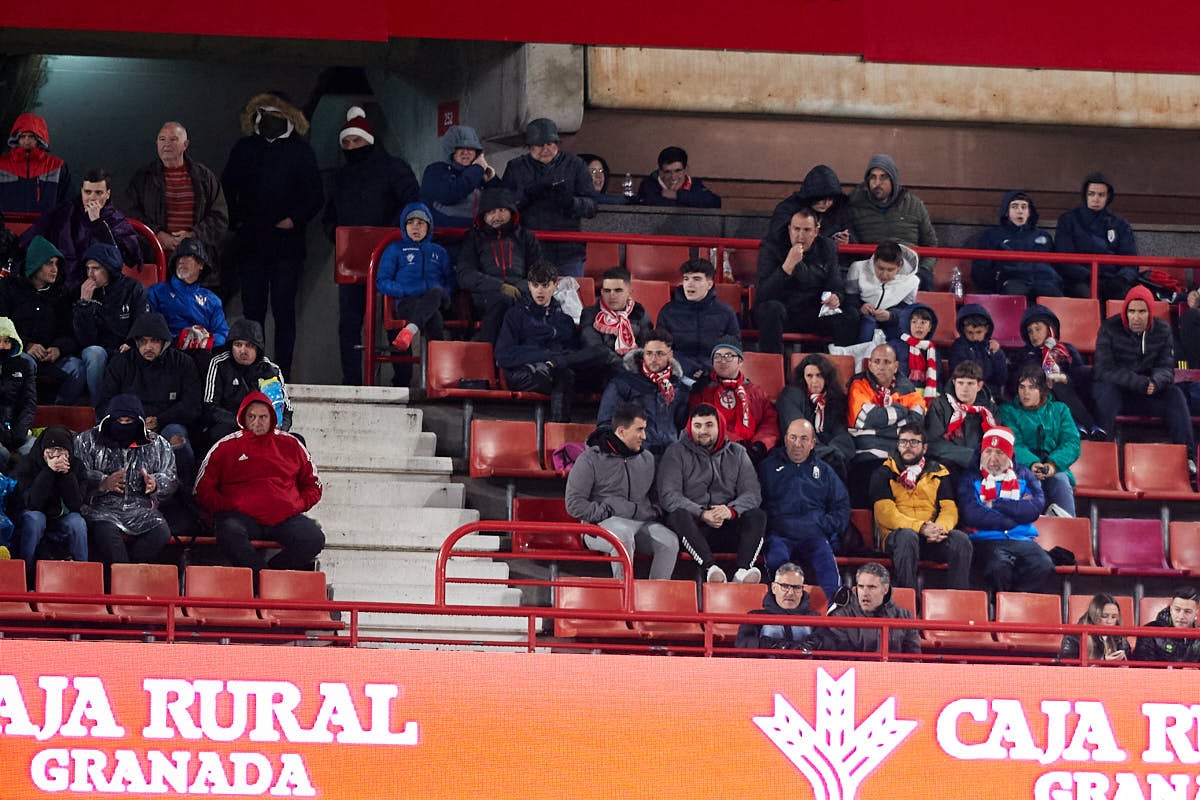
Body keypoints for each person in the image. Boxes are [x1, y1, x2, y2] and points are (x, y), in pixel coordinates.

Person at [221, 92, 323, 379]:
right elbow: (226, 190)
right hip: (251, 244)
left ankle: (282, 374)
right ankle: (253, 371)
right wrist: (238, 221)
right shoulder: (244, 148)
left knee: (283, 311)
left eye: (275, 115)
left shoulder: (301, 151)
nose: (269, 120)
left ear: (287, 117)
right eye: (263, 114)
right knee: (252, 312)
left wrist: (295, 219)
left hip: (286, 248)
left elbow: (315, 195)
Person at [323, 106, 419, 386]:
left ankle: (401, 378)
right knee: (350, 323)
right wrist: (336, 234)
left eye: (357, 141)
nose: (352, 147)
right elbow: (329, 215)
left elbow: (411, 202)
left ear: (370, 140)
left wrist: (391, 235)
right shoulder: (340, 177)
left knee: (394, 319)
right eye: (347, 143)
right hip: (351, 260)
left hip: (392, 256)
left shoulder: (394, 168)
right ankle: (352, 379)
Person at [194, 391, 324, 574]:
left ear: (272, 417)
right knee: (228, 531)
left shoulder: (292, 445)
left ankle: (269, 574)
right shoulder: (225, 447)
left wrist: (297, 504)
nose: (257, 422)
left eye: (263, 417)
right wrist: (229, 506)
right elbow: (203, 490)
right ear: (243, 418)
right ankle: (260, 577)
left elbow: (314, 485)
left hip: (284, 518)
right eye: (252, 417)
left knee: (313, 538)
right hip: (241, 518)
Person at [564, 403, 679, 580]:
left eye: (644, 429)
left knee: (669, 542)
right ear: (622, 431)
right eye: (639, 430)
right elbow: (574, 504)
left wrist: (653, 510)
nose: (644, 436)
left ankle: (654, 597)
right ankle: (624, 596)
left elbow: (656, 494)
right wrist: (607, 510)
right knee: (622, 537)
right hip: (599, 526)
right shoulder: (590, 459)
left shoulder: (647, 458)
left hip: (640, 522)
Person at [657, 403, 766, 583]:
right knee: (677, 515)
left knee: (757, 515)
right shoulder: (675, 452)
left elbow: (753, 493)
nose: (702, 431)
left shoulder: (738, 453)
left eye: (709, 425)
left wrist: (730, 511)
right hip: (694, 528)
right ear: (690, 427)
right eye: (697, 426)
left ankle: (743, 571)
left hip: (728, 524)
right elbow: (668, 495)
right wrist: (702, 513)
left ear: (720, 426)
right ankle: (710, 569)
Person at [1094, 285, 1195, 471]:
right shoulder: (1109, 328)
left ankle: (1187, 458)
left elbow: (1167, 369)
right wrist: (1139, 382)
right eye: (1132, 311)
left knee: (1175, 394)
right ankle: (1102, 454)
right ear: (1126, 311)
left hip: (1146, 394)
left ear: (1150, 312)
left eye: (1142, 311)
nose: (1136, 317)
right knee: (1106, 389)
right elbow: (1103, 369)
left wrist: (1155, 382)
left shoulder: (1163, 330)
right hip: (1118, 393)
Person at [97, 312, 201, 490]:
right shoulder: (120, 364)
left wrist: (160, 419)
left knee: (178, 440)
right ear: (135, 342)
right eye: (143, 341)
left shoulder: (183, 363)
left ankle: (187, 493)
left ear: (164, 342)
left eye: (154, 341)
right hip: (128, 423)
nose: (148, 347)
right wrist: (134, 422)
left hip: (170, 422)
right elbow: (105, 403)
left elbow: (192, 405)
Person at [74, 393, 176, 566]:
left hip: (141, 508)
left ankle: (128, 571)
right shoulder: (87, 440)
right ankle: (122, 580)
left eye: (129, 422)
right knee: (107, 537)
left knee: (161, 532)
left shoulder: (157, 443)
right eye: (119, 420)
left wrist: (156, 483)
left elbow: (171, 478)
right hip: (101, 509)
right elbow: (76, 476)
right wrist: (102, 483)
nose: (123, 425)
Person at [495, 261, 602, 423]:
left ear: (554, 286)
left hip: (558, 371)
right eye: (535, 285)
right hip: (523, 373)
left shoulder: (564, 321)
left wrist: (556, 360)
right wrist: (546, 356)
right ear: (529, 285)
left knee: (584, 369)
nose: (540, 290)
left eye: (545, 285)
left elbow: (572, 353)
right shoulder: (515, 315)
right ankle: (559, 430)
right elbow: (503, 355)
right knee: (563, 375)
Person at [758, 418, 850, 601]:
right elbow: (756, 503)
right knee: (776, 560)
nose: (797, 444)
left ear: (812, 443)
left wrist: (824, 525)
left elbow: (841, 505)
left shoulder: (824, 471)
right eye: (792, 438)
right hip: (780, 535)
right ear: (785, 439)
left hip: (814, 535)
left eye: (803, 439)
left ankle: (837, 609)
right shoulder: (767, 467)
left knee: (826, 561)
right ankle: (779, 610)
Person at [869, 427, 971, 589]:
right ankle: (907, 599)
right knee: (907, 537)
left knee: (960, 540)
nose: (907, 446)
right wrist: (921, 527)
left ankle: (957, 599)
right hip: (897, 536)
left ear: (925, 447)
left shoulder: (939, 471)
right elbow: (885, 514)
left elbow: (949, 508)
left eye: (914, 442)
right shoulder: (884, 472)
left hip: (931, 536)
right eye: (903, 442)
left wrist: (939, 529)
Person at [955, 426, 1053, 593]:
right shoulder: (970, 477)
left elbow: (1034, 509)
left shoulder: (1025, 475)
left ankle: (1015, 604)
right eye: (988, 452)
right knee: (999, 566)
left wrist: (996, 504)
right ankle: (999, 609)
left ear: (1009, 455)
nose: (992, 458)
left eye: (999, 453)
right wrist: (1012, 519)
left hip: (1022, 539)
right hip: (985, 540)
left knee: (1044, 565)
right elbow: (972, 515)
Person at [753, 207, 858, 353]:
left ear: (816, 231)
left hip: (811, 310)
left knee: (851, 315)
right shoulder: (772, 246)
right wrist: (786, 268)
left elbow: (835, 282)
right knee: (772, 309)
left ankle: (840, 367)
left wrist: (836, 296)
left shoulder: (827, 247)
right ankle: (773, 371)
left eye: (807, 230)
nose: (800, 236)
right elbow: (763, 294)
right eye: (796, 229)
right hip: (781, 309)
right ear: (789, 229)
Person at [501, 118, 596, 278]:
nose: (545, 149)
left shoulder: (575, 165)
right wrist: (526, 197)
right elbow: (504, 208)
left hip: (568, 251)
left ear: (557, 144)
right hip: (528, 250)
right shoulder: (516, 167)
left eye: (550, 144)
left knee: (570, 300)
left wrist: (571, 202)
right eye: (539, 145)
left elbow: (592, 206)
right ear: (529, 146)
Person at [19, 168, 141, 289]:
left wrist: (98, 224)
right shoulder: (63, 213)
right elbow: (30, 239)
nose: (92, 198)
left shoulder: (116, 220)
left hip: (102, 289)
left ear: (107, 194)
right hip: (63, 287)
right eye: (88, 192)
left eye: (98, 193)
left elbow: (125, 259)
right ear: (81, 191)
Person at [0, 235, 85, 403]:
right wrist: (25, 346)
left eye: (56, 264)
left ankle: (58, 414)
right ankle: (23, 416)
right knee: (25, 363)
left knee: (77, 367)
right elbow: (2, 326)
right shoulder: (8, 288)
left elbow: (69, 333)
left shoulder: (60, 295)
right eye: (49, 263)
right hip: (18, 353)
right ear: (35, 265)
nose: (55, 269)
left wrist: (58, 349)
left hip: (50, 358)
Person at [125, 121, 229, 257]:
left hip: (196, 261)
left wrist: (193, 234)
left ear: (185, 145)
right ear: (156, 144)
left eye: (173, 139)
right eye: (162, 139)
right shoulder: (143, 178)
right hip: (155, 258)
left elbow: (220, 217)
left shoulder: (204, 177)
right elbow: (130, 213)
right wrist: (156, 234)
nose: (166, 144)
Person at [455, 187, 542, 344]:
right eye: (491, 212)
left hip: (523, 293)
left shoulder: (526, 237)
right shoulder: (473, 238)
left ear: (511, 211)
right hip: (486, 296)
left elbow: (539, 272)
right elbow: (465, 274)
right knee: (501, 301)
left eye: (501, 210)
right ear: (483, 216)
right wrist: (500, 286)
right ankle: (486, 356)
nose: (497, 216)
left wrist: (519, 288)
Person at [72, 242, 149, 406]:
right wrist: (84, 305)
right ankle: (98, 409)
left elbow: (143, 322)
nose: (90, 274)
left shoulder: (133, 288)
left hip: (126, 347)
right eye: (88, 268)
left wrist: (132, 343)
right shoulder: (82, 292)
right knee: (95, 353)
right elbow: (85, 341)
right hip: (97, 350)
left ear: (109, 268)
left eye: (96, 268)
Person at [1010, 304, 1101, 440]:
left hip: (1067, 388)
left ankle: (1081, 425)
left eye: (1038, 329)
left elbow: (1079, 374)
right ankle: (1084, 424)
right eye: (1030, 331)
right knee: (1051, 386)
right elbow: (1017, 379)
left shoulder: (1065, 349)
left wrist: (1064, 378)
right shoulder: (1024, 354)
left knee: (1061, 385)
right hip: (1039, 391)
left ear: (1050, 329)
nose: (1034, 335)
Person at [847, 154, 938, 290]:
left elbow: (931, 244)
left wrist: (924, 269)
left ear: (894, 180)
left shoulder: (914, 205)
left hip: (911, 271)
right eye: (873, 177)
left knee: (925, 282)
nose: (877, 183)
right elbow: (853, 246)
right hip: (874, 273)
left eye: (883, 177)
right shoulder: (855, 205)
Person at [376, 203, 454, 358]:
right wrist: (403, 290)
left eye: (420, 223)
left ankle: (409, 331)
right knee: (434, 318)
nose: (415, 227)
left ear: (429, 226)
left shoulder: (439, 251)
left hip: (438, 299)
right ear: (404, 226)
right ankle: (437, 373)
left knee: (437, 291)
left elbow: (451, 280)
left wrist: (445, 292)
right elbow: (382, 281)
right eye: (410, 223)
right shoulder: (395, 249)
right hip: (408, 301)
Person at [1000, 365, 1081, 517]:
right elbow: (1014, 443)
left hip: (1055, 467)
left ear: (1042, 390)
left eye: (1032, 387)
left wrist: (1052, 464)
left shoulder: (1060, 409)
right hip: (1021, 467)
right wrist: (1032, 463)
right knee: (1025, 481)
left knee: (1060, 481)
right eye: (1022, 387)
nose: (1026, 393)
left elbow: (1071, 442)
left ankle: (1069, 530)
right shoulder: (1008, 411)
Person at [597, 329, 690, 456]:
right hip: (636, 454)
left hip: (671, 455)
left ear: (670, 355)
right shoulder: (623, 383)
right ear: (643, 353)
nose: (653, 358)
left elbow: (683, 426)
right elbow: (606, 422)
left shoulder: (680, 388)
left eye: (660, 354)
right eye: (649, 353)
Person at [688, 337, 778, 464]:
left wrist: (760, 444)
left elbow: (770, 421)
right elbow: (701, 424)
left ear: (740, 361)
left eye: (728, 356)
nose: (722, 361)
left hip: (755, 452)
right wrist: (736, 443)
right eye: (717, 356)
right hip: (718, 452)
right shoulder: (704, 390)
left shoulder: (755, 391)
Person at [202, 318, 292, 445]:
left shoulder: (271, 369)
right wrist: (244, 423)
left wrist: (278, 427)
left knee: (296, 440)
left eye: (249, 345)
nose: (243, 351)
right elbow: (210, 406)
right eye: (238, 345)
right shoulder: (219, 364)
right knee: (219, 433)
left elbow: (286, 408)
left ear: (258, 348)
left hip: (264, 428)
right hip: (231, 425)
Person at [13, 425, 87, 572]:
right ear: (42, 449)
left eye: (61, 450)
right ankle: (25, 571)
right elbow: (32, 503)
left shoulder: (77, 466)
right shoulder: (27, 463)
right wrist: (48, 471)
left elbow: (76, 505)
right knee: (34, 519)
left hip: (62, 517)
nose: (56, 455)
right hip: (34, 515)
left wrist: (67, 475)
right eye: (51, 450)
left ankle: (83, 572)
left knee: (77, 522)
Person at [1055, 172, 1138, 301]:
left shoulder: (1120, 224)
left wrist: (1121, 279)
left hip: (1112, 280)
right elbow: (1064, 257)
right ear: (1085, 195)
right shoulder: (1069, 220)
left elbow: (1131, 260)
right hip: (1080, 280)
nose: (1096, 199)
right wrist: (1090, 276)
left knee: (1130, 298)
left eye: (1101, 195)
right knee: (1084, 295)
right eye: (1091, 194)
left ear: (1108, 197)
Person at [806, 562, 921, 655]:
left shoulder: (904, 616)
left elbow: (914, 657)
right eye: (861, 587)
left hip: (895, 678)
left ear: (885, 589)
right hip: (858, 678)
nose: (865, 593)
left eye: (871, 587)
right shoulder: (841, 617)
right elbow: (841, 660)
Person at [656, 259, 741, 378]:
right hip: (679, 374)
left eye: (696, 279)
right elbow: (661, 349)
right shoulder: (668, 312)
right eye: (686, 279)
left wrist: (708, 369)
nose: (689, 284)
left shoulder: (726, 313)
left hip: (715, 374)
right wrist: (690, 368)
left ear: (709, 284)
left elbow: (733, 349)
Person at [760, 165, 856, 270]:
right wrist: (828, 244)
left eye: (831, 198)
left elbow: (855, 242)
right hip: (790, 267)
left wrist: (847, 242)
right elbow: (779, 239)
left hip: (827, 269)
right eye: (821, 198)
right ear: (811, 195)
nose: (826, 203)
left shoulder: (839, 210)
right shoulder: (788, 209)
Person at [775, 353, 854, 479]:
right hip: (801, 454)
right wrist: (826, 454)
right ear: (803, 378)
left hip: (831, 457)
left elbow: (841, 432)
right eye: (809, 376)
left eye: (819, 375)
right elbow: (797, 432)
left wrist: (834, 453)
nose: (814, 381)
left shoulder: (836, 399)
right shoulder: (791, 395)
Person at [846, 343, 926, 465]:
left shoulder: (908, 387)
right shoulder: (858, 384)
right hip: (867, 453)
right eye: (877, 362)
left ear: (896, 366)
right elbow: (866, 417)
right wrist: (902, 410)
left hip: (900, 453)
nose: (881, 367)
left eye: (887, 362)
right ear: (870, 365)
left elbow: (916, 421)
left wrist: (875, 430)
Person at [971, 190, 1060, 297]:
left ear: (1029, 212)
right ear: (1006, 211)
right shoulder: (992, 236)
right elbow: (981, 270)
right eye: (1014, 206)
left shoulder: (1043, 236)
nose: (1020, 211)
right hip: (1011, 283)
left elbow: (1055, 266)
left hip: (1043, 283)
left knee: (1054, 294)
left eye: (1024, 207)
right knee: (1014, 292)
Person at [147, 237, 230, 351]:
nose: (181, 261)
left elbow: (223, 334)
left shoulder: (212, 300)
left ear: (201, 264)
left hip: (202, 355)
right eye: (178, 258)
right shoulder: (156, 292)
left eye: (187, 256)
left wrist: (202, 341)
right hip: (167, 354)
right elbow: (148, 327)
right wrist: (180, 340)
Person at [578, 266, 654, 381]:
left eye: (618, 290)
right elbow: (595, 350)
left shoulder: (639, 312)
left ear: (629, 292)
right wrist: (625, 367)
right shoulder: (590, 314)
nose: (612, 295)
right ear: (602, 292)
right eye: (607, 291)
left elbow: (646, 346)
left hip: (635, 370)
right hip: (602, 371)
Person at [924, 360, 999, 474]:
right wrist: (970, 456)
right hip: (947, 466)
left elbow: (997, 441)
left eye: (970, 383)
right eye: (960, 383)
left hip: (983, 467)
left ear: (979, 385)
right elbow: (933, 444)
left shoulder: (990, 409)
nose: (965, 388)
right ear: (954, 382)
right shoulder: (939, 405)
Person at [420, 124, 495, 229]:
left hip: (474, 238)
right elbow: (449, 194)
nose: (465, 152)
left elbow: (503, 200)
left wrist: (491, 179)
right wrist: (478, 168)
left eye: (470, 148)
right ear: (451, 151)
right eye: (460, 148)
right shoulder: (435, 170)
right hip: (441, 238)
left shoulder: (479, 175)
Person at [845, 241, 920, 343]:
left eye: (890, 270)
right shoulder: (857, 268)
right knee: (867, 322)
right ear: (874, 261)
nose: (884, 274)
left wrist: (890, 315)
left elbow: (906, 309)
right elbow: (849, 299)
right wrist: (860, 307)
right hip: (861, 318)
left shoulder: (913, 281)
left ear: (900, 266)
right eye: (880, 268)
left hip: (891, 320)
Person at [0, 113, 72, 214]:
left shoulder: (58, 166)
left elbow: (68, 203)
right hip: (7, 228)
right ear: (16, 138)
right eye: (22, 136)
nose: (26, 140)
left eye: (31, 136)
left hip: (47, 228)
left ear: (39, 139)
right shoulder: (2, 165)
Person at [734, 563, 816, 650]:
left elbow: (829, 642)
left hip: (806, 663)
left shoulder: (814, 618)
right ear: (774, 588)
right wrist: (767, 644)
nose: (791, 593)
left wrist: (813, 644)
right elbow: (742, 644)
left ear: (802, 590)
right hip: (765, 663)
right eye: (785, 586)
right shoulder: (755, 617)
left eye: (797, 587)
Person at [949, 304, 1007, 402]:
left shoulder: (993, 347)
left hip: (991, 394)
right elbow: (962, 373)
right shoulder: (958, 347)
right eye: (970, 333)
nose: (974, 337)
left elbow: (1002, 379)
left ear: (987, 329)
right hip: (966, 394)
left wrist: (997, 355)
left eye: (979, 332)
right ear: (963, 330)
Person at [0, 316, 37, 467]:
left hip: (19, 432)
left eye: (6, 341)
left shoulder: (24, 365)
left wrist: (19, 433)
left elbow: (29, 403)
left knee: (34, 451)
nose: (1, 346)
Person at [634, 146, 721, 208]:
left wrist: (677, 195)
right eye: (668, 172)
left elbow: (715, 202)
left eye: (678, 171)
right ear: (660, 172)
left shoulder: (695, 184)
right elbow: (649, 204)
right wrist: (691, 201)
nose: (673, 177)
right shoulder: (649, 184)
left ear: (686, 170)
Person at [888, 303, 940, 404]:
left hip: (927, 395)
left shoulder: (932, 350)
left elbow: (938, 377)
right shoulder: (895, 345)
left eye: (923, 322)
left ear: (930, 328)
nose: (918, 326)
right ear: (908, 324)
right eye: (914, 322)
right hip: (902, 392)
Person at [1132, 587, 1200, 663]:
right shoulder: (1148, 632)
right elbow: (1143, 669)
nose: (1181, 616)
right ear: (1171, 609)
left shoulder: (1198, 635)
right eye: (1177, 610)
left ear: (1196, 612)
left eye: (1187, 612)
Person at [1059, 592, 1131, 662]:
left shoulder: (1120, 637)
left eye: (1114, 617)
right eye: (1104, 616)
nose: (1109, 621)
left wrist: (1124, 662)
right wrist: (1102, 662)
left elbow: (1132, 664)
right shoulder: (1074, 636)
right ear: (1094, 616)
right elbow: (1068, 668)